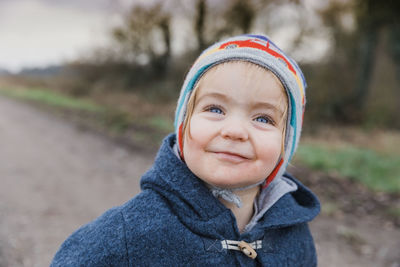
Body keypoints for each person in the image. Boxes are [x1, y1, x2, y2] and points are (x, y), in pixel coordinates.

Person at [51, 34, 320, 266]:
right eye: (215, 109)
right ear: (184, 125)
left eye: (263, 119)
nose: (235, 130)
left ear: (286, 144)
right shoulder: (129, 234)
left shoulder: (293, 232)